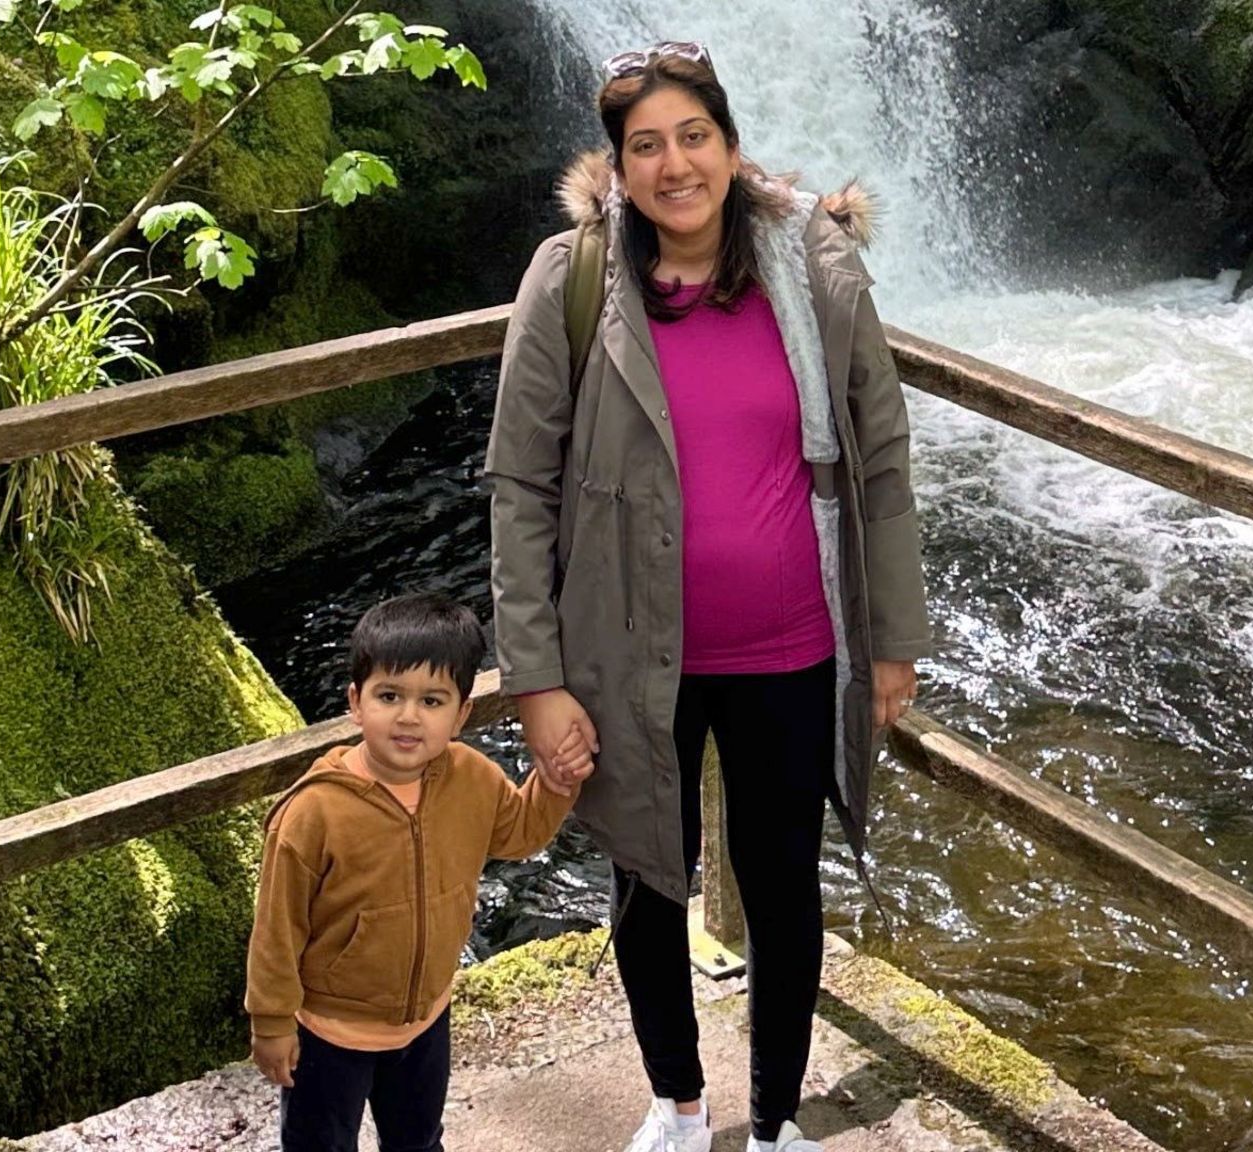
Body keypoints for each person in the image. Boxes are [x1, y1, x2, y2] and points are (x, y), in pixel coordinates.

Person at [485, 40, 930, 1152]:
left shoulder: (813, 268)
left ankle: (773, 1121)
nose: (672, 165)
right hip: (627, 654)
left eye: (693, 137)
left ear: (730, 148)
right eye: (646, 146)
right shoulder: (573, 279)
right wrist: (534, 679)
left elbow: (879, 464)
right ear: (619, 166)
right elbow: (519, 486)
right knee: (646, 876)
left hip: (790, 644)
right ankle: (678, 1103)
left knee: (781, 885)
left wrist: (892, 641)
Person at [244, 592, 587, 1152]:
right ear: (356, 702)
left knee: (419, 1140)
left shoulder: (471, 777)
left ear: (461, 713)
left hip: (425, 1020)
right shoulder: (314, 811)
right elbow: (276, 929)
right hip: (330, 1032)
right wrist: (272, 1022)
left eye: (432, 700)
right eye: (389, 695)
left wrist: (554, 784)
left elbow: (519, 833)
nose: (408, 716)